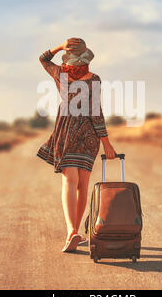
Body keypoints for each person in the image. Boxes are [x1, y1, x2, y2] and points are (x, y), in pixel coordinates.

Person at [37, 37, 116, 252]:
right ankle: (76, 232)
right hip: (89, 136)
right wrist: (106, 143)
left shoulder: (61, 74)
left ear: (68, 57)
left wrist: (59, 46)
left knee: (69, 183)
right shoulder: (94, 79)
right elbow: (96, 113)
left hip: (67, 132)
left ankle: (71, 231)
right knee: (82, 185)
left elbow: (43, 59)